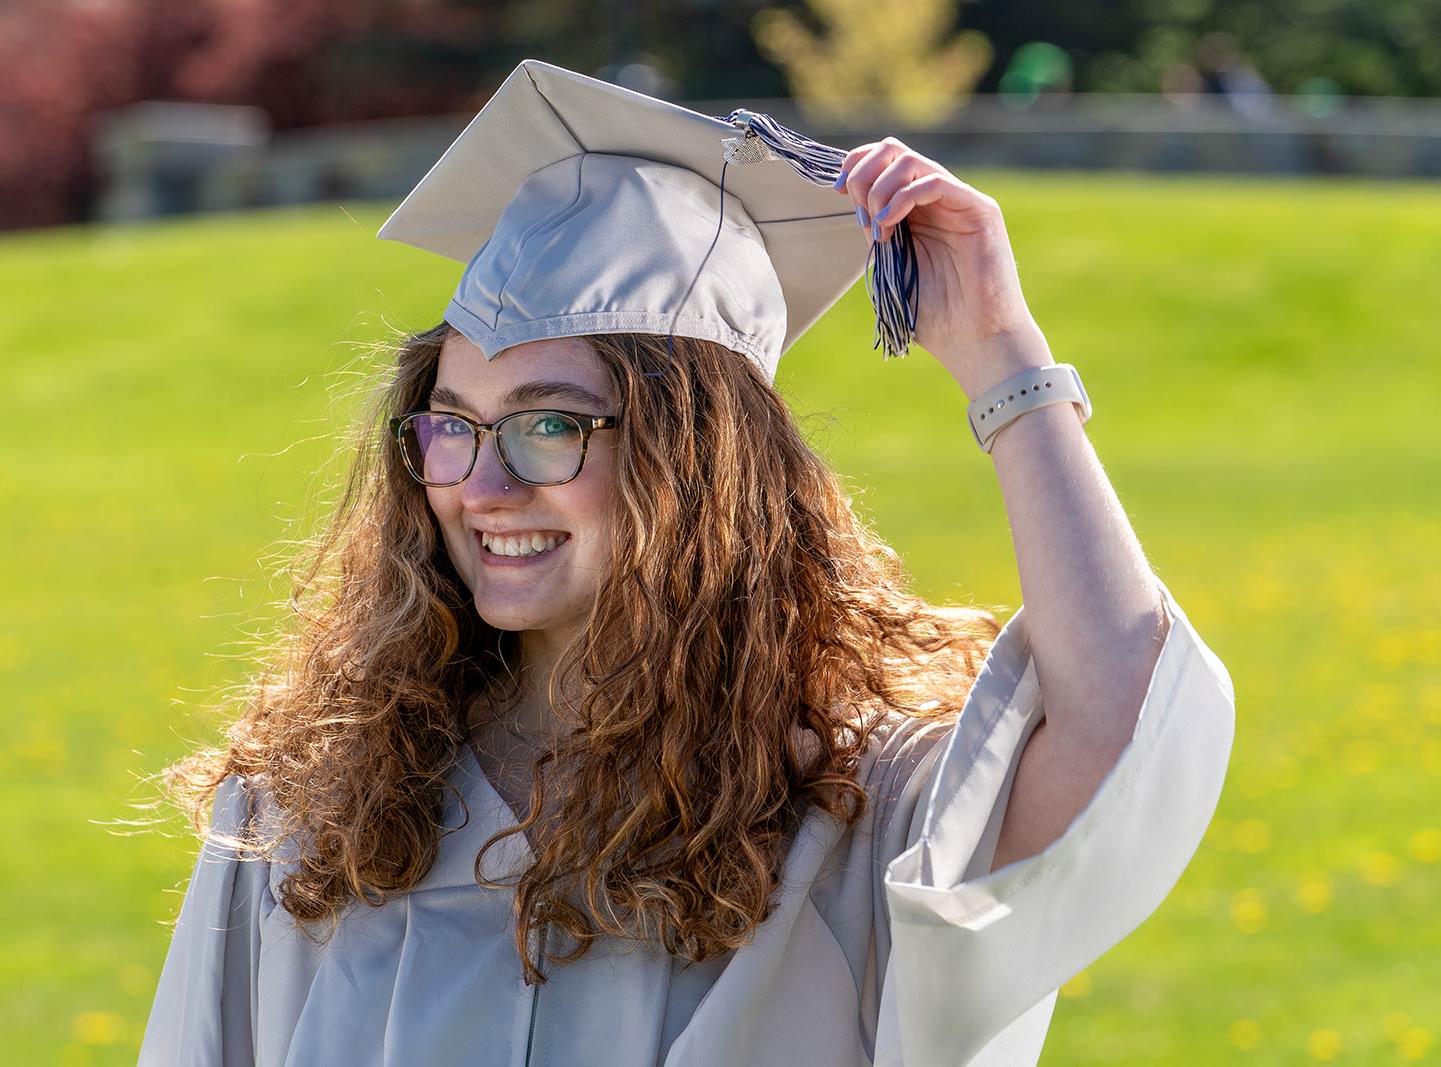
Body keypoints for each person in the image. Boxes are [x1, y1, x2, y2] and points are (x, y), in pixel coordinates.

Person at [137, 61, 1235, 1067]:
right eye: (451, 424)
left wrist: (1002, 352)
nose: (479, 485)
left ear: (694, 465)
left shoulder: (848, 816)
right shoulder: (313, 817)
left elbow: (1125, 721)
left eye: (549, 426)